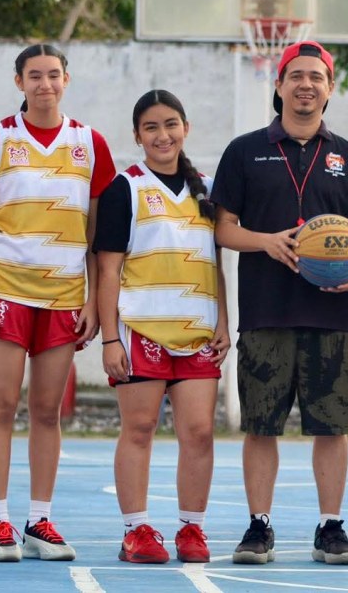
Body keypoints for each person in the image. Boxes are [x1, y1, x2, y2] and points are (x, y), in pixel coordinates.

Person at [211, 40, 348, 566]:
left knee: (331, 426)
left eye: (316, 77)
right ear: (279, 84)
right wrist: (268, 241)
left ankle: (330, 527)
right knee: (262, 425)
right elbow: (222, 230)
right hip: (265, 312)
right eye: (296, 76)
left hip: (330, 315)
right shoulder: (244, 150)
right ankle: (259, 526)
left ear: (329, 89)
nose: (306, 84)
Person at [0, 43, 116, 562]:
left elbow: (97, 233)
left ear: (66, 81)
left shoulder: (90, 143)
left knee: (47, 411)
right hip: (5, 292)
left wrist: (95, 301)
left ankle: (39, 520)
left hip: (64, 296)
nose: (44, 84)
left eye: (53, 75)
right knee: (2, 405)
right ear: (19, 82)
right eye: (35, 76)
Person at [94, 89, 230, 565]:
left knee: (199, 433)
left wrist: (223, 323)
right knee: (139, 428)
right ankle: (136, 530)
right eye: (151, 127)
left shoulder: (208, 189)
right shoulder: (124, 188)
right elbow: (107, 270)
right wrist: (111, 338)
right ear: (137, 136)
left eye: (170, 124)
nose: (162, 134)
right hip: (141, 331)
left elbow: (215, 264)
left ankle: (192, 528)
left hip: (197, 331)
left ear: (185, 129)